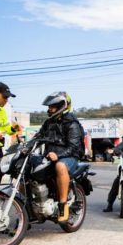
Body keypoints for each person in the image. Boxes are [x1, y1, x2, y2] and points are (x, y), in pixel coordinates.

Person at [35, 92, 84, 222]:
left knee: (60, 166)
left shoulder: (72, 123)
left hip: (69, 157)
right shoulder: (48, 123)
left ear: (62, 106)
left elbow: (74, 147)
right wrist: (25, 147)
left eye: (52, 106)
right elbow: (37, 137)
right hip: (50, 156)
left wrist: (58, 155)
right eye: (49, 106)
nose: (49, 109)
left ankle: (63, 205)